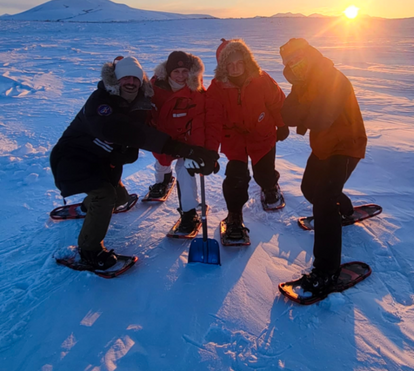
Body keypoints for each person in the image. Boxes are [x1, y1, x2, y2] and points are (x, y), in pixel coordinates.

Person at [50, 55, 219, 270]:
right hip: (74, 160)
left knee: (118, 199)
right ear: (115, 80)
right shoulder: (101, 103)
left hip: (102, 162)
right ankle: (89, 252)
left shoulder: (139, 102)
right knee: (105, 196)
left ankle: (90, 207)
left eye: (135, 79)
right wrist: (183, 149)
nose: (130, 83)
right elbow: (136, 134)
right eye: (125, 78)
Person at [279, 38, 367, 297]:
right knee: (309, 189)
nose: (296, 66)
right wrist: (304, 114)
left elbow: (321, 117)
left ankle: (326, 271)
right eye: (290, 64)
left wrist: (303, 115)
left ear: (311, 56)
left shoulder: (332, 79)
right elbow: (286, 113)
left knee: (324, 201)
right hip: (323, 147)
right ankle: (345, 211)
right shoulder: (301, 84)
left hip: (346, 146)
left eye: (299, 60)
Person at [207, 39, 289, 241]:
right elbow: (212, 120)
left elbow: (278, 102)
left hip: (262, 134)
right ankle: (234, 215)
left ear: (247, 61)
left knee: (264, 172)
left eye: (239, 63)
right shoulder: (216, 88)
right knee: (236, 178)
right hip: (233, 139)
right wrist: (209, 150)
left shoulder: (261, 80)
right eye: (229, 64)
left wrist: (282, 124)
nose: (235, 68)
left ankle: (270, 186)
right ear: (222, 66)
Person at [147, 50, 219, 234]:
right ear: (168, 72)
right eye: (176, 72)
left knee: (185, 170)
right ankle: (162, 180)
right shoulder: (154, 88)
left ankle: (189, 212)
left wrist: (203, 151)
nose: (181, 76)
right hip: (163, 139)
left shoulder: (197, 92)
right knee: (161, 162)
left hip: (186, 140)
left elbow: (201, 123)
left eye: (185, 71)